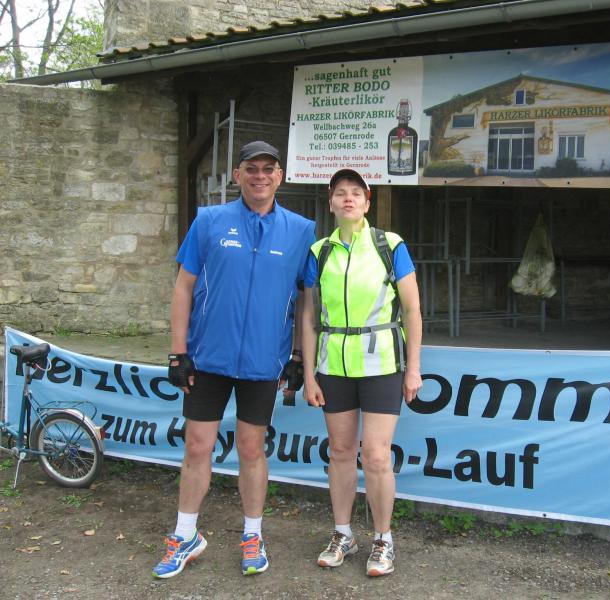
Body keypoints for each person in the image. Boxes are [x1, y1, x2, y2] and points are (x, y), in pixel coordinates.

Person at [152, 141, 315, 579]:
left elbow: (306, 299)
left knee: (251, 448)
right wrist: (178, 352)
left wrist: (298, 355)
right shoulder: (209, 220)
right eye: (251, 169)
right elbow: (183, 287)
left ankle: (253, 535)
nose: (260, 176)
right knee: (197, 445)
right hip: (208, 359)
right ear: (238, 175)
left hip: (264, 361)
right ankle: (185, 534)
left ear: (280, 176)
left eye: (268, 169)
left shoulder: (302, 230)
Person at [301, 168, 422, 577]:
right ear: (331, 202)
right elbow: (308, 316)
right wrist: (309, 374)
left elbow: (413, 310)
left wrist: (413, 369)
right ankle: (343, 534)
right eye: (340, 193)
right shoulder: (320, 251)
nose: (348, 199)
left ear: (368, 202)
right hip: (333, 365)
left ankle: (383, 539)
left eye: (356, 193)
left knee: (375, 455)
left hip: (382, 364)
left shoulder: (390, 245)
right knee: (339, 452)